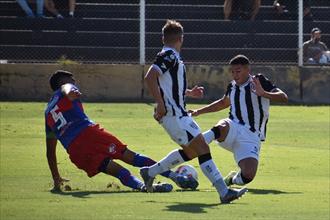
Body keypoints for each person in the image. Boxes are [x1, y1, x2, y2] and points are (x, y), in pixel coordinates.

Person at [140, 19, 247, 204]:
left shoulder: (171, 56)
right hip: (174, 116)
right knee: (202, 148)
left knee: (190, 152)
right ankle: (224, 192)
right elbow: (150, 77)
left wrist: (189, 93)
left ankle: (149, 172)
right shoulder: (169, 55)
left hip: (178, 115)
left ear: (162, 38)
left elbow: (167, 84)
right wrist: (161, 104)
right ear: (181, 38)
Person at [45, 70, 198, 193]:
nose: (75, 83)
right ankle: (176, 177)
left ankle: (143, 187)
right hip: (89, 135)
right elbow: (67, 88)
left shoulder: (47, 112)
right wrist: (70, 90)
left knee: (118, 172)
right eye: (72, 81)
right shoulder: (65, 90)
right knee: (132, 157)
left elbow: (50, 152)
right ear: (63, 82)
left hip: (75, 151)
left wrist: (56, 178)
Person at [189, 55, 288, 187]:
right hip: (233, 128)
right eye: (233, 71)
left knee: (248, 175)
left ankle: (231, 180)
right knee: (223, 126)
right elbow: (223, 103)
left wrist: (263, 93)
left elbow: (283, 97)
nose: (235, 75)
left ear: (248, 70)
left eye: (238, 71)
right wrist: (198, 111)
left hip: (251, 135)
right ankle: (197, 143)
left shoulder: (259, 80)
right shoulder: (232, 86)